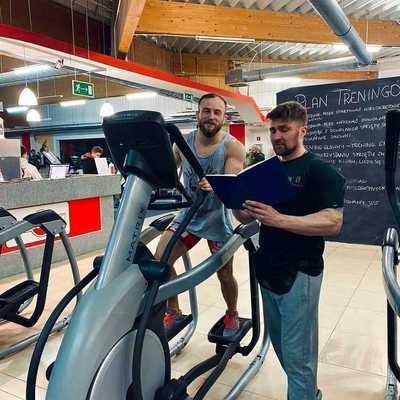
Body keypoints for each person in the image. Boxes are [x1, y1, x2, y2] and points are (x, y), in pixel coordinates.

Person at [234, 101, 345, 400]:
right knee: (282, 346)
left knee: (298, 357)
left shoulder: (319, 170)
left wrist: (279, 219)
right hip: (268, 268)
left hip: (300, 273)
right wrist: (234, 200)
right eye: (273, 130)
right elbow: (248, 217)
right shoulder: (266, 172)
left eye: (284, 129)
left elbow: (333, 222)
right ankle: (309, 394)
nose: (277, 136)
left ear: (302, 130)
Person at [155, 93, 245, 337]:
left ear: (224, 117)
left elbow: (232, 185)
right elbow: (165, 173)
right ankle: (173, 310)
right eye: (206, 111)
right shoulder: (182, 143)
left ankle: (232, 312)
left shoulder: (232, 147)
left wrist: (218, 185)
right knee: (161, 261)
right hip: (189, 216)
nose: (211, 117)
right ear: (198, 114)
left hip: (217, 218)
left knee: (225, 274)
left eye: (217, 112)